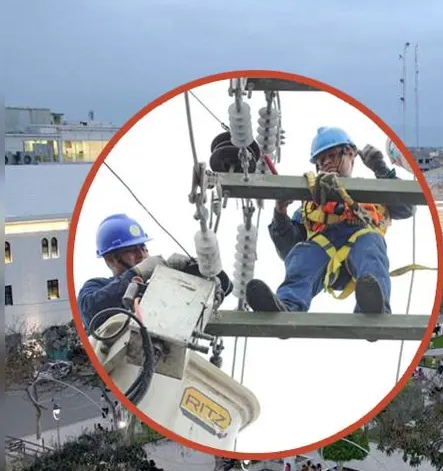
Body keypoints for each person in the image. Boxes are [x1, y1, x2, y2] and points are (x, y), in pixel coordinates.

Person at [246, 127, 415, 320]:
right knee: (304, 253)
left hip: (361, 257)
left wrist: (380, 169)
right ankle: (288, 305)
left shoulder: (372, 194)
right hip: (324, 257)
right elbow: (288, 249)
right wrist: (280, 212)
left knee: (371, 244)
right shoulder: (311, 205)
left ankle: (373, 307)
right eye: (320, 160)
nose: (326, 163)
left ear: (351, 154)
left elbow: (406, 207)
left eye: (332, 156)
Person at [78, 214, 232, 333]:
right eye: (131, 250)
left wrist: (199, 277)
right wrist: (137, 273)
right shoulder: (95, 287)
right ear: (111, 259)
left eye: (143, 247)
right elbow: (91, 311)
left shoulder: (160, 287)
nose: (141, 254)